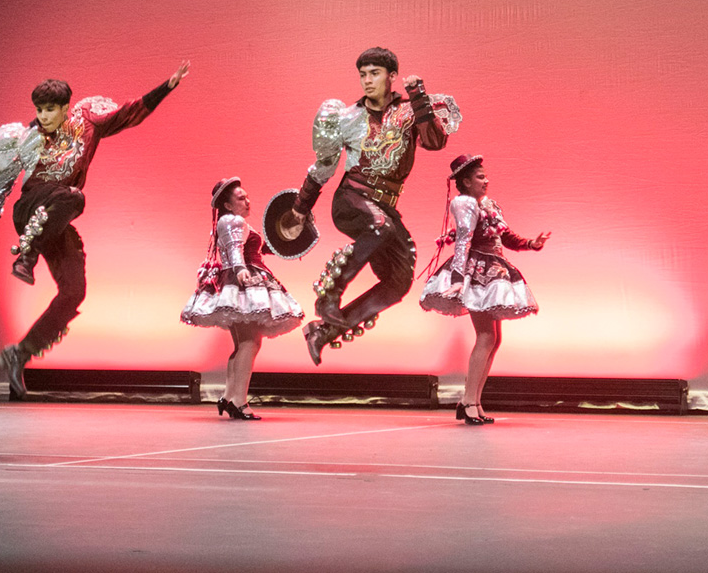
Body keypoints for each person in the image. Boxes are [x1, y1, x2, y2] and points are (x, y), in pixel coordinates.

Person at [0, 62, 189, 399]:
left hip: (58, 218)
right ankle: (27, 254)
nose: (43, 116)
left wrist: (166, 87)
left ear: (64, 107)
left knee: (74, 291)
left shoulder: (86, 119)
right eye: (39, 110)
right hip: (29, 209)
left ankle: (20, 353)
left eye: (50, 110)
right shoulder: (25, 138)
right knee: (71, 196)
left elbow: (128, 114)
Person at [264, 47, 460, 365]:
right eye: (363, 74)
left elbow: (435, 142)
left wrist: (419, 95)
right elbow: (324, 166)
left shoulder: (409, 112)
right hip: (351, 200)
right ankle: (329, 295)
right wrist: (299, 209)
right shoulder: (347, 118)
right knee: (380, 225)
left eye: (374, 73)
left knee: (399, 281)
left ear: (392, 76)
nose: (367, 81)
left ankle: (323, 332)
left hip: (385, 208)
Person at [419, 155, 549, 425]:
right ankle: (468, 401)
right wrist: (458, 276)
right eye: (480, 177)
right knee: (487, 336)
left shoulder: (488, 204)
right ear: (465, 182)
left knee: (494, 339)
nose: (486, 180)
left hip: (493, 267)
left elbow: (505, 235)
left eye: (485, 176)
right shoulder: (464, 203)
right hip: (477, 270)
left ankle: (473, 401)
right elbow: (464, 241)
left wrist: (530, 243)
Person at [182, 178, 304, 420]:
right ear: (227, 204)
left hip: (239, 280)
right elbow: (236, 249)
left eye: (247, 197)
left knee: (244, 344)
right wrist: (239, 269)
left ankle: (228, 397)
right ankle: (239, 402)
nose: (247, 201)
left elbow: (253, 247)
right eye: (241, 198)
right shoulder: (233, 221)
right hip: (243, 282)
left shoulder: (232, 222)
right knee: (250, 344)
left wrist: (289, 239)